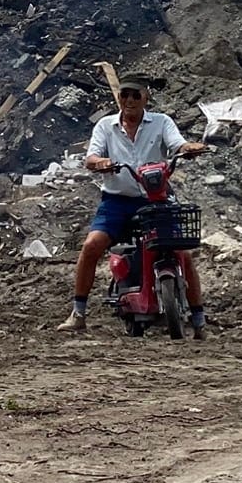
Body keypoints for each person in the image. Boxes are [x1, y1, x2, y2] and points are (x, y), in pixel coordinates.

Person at [56, 75, 208, 337]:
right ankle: (78, 313)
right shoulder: (105, 126)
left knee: (183, 254)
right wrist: (101, 163)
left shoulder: (161, 122)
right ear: (119, 98)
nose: (129, 100)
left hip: (156, 199)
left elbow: (177, 144)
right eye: (124, 94)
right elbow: (91, 158)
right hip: (117, 201)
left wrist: (189, 148)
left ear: (146, 97)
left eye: (136, 95)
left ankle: (199, 320)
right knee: (91, 246)